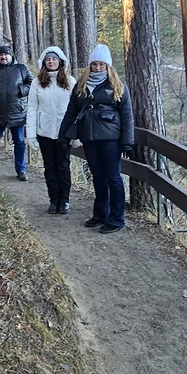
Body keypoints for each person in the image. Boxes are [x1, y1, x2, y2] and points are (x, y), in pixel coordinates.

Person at [58, 43, 134, 233]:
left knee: (113, 178)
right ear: (90, 65)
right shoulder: (81, 85)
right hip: (89, 137)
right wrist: (63, 135)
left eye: (101, 65)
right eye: (95, 64)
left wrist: (127, 141)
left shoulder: (117, 85)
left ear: (107, 66)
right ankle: (100, 214)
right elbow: (71, 111)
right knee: (98, 177)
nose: (98, 68)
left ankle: (116, 219)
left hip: (110, 139)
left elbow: (127, 114)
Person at [26, 45, 75, 213]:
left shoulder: (70, 81)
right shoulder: (37, 83)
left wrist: (76, 135)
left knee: (63, 166)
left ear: (60, 61)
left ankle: (65, 200)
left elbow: (76, 109)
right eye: (48, 59)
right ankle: (54, 200)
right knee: (49, 167)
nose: (51, 61)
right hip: (44, 132)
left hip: (64, 132)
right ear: (44, 63)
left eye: (54, 59)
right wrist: (31, 135)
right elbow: (32, 108)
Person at [0, 41, 32, 179]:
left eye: (6, 54)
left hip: (17, 114)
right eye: (0, 55)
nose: (3, 57)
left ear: (11, 56)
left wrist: (22, 90)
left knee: (20, 142)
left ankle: (21, 170)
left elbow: (31, 83)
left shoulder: (21, 69)